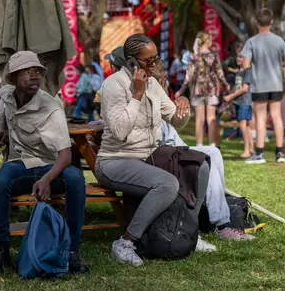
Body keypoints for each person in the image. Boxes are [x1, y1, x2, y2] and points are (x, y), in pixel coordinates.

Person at [95, 34, 203, 267]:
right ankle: (125, 242)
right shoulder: (112, 85)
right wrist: (136, 94)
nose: (154, 65)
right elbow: (120, 131)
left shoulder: (153, 84)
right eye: (148, 61)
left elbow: (175, 120)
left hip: (149, 157)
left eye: (156, 59)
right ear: (131, 61)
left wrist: (183, 106)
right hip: (114, 161)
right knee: (167, 184)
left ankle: (187, 230)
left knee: (198, 166)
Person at [0, 50, 89, 274]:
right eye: (27, 72)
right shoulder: (7, 98)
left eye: (37, 72)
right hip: (21, 163)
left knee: (75, 178)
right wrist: (0, 136)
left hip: (51, 165)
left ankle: (72, 251)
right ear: (13, 78)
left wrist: (47, 179)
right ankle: (1, 250)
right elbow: (3, 127)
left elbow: (65, 155)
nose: (35, 76)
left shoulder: (51, 107)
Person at [155, 74, 255, 249]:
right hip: (163, 156)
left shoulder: (162, 100)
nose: (165, 82)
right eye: (161, 79)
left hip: (177, 149)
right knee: (203, 159)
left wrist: (182, 101)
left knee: (213, 152)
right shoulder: (142, 96)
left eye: (165, 79)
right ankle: (208, 226)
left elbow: (178, 125)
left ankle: (220, 221)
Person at [241, 8, 285, 164]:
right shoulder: (279, 40)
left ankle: (259, 153)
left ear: (257, 22)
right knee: (277, 117)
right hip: (276, 84)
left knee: (261, 118)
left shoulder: (251, 41)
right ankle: (279, 153)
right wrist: (277, 64)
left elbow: (245, 64)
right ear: (271, 22)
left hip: (259, 85)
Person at [176, 31, 230, 147]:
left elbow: (188, 77)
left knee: (199, 119)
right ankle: (212, 145)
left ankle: (199, 145)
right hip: (211, 90)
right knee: (211, 118)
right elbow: (219, 73)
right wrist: (226, 84)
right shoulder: (213, 56)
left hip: (197, 91)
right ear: (208, 41)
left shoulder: (193, 57)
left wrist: (181, 90)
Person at [223, 64, 254, 158]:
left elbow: (244, 89)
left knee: (242, 125)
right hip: (239, 101)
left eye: (241, 57)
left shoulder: (247, 71)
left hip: (244, 101)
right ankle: (251, 148)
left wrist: (230, 96)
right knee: (247, 126)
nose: (238, 59)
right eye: (238, 56)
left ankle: (246, 151)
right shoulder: (239, 72)